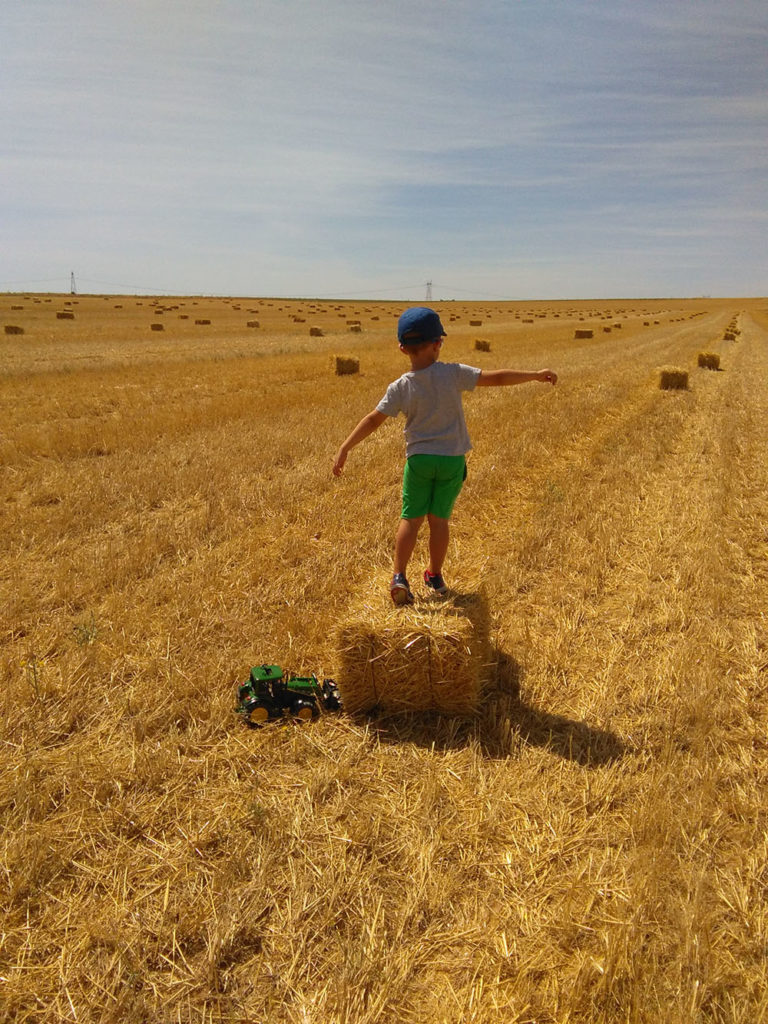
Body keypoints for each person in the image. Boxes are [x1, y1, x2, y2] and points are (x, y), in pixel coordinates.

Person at [332, 306, 557, 605]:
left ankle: (399, 576)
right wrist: (534, 375)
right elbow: (497, 378)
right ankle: (434, 576)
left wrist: (346, 447)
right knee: (439, 522)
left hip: (420, 461)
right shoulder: (452, 373)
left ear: (402, 349)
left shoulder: (401, 386)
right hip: (451, 460)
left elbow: (373, 419)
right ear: (438, 343)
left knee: (410, 520)